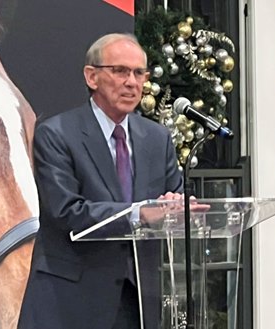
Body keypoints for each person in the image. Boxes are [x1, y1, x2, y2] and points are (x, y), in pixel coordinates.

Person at [18, 33, 185, 329]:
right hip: (71, 300)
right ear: (92, 77)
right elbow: (66, 211)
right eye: (120, 71)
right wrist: (139, 214)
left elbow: (172, 197)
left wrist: (178, 207)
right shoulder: (56, 134)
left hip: (138, 302)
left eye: (138, 73)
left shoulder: (157, 139)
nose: (132, 82)